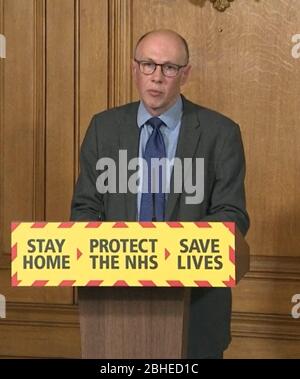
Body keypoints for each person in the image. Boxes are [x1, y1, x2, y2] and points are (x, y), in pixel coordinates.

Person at [71, 29, 250, 359]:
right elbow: (84, 208)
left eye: (168, 68)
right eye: (148, 65)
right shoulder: (103, 128)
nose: (157, 77)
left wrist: (169, 254)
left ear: (185, 74)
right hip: (115, 308)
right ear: (133, 69)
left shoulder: (220, 133)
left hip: (196, 309)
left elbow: (231, 214)